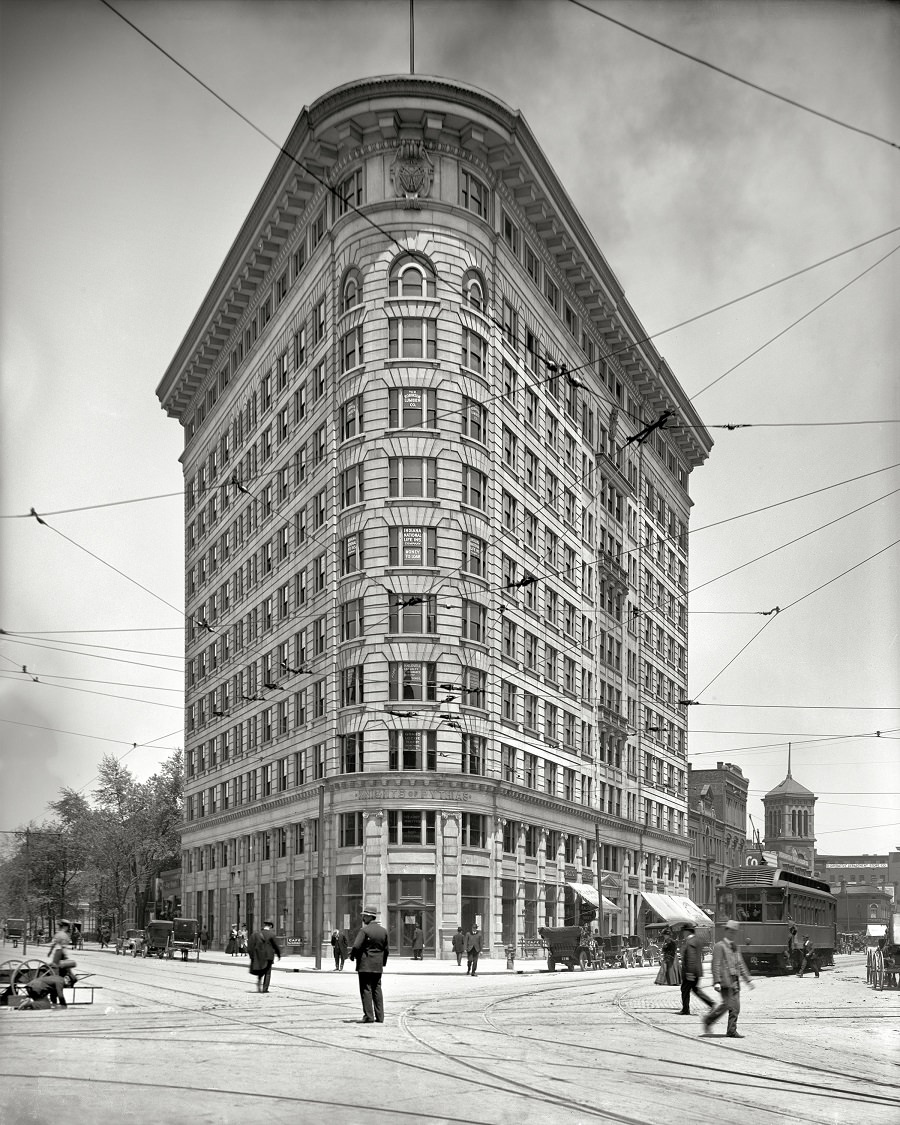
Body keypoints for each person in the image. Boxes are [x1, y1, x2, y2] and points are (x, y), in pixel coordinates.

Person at [703, 920, 754, 1039]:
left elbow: (741, 964)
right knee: (728, 1004)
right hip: (725, 982)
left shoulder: (735, 947)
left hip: (735, 981)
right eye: (730, 931)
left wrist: (748, 980)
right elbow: (715, 965)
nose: (732, 934)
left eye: (734, 932)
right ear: (726, 931)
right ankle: (710, 1020)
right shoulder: (719, 946)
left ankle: (731, 1030)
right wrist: (716, 981)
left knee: (735, 1007)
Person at [349, 905, 389, 1023]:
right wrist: (382, 963)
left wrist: (352, 956)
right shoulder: (384, 931)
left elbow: (356, 946)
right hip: (377, 965)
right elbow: (386, 950)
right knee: (377, 989)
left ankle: (369, 1016)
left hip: (365, 965)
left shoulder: (364, 930)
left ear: (369, 916)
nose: (363, 918)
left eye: (364, 916)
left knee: (366, 989)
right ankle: (380, 1017)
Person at [679, 923, 713, 1016]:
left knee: (685, 989)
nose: (683, 933)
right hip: (697, 970)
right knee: (695, 990)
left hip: (690, 971)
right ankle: (711, 1003)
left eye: (684, 931)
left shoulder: (690, 942)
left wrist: (689, 972)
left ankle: (686, 1009)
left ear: (687, 931)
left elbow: (691, 957)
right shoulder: (697, 940)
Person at [247, 920, 281, 993]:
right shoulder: (271, 935)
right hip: (269, 956)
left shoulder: (256, 934)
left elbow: (250, 946)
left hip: (259, 956)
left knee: (261, 969)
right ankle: (265, 989)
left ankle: (259, 981)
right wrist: (278, 955)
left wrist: (252, 956)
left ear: (264, 925)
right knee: (268, 972)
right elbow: (275, 946)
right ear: (271, 926)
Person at [48, 920, 77, 987]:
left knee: (57, 967)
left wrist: (50, 951)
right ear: (65, 927)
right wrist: (65, 955)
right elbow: (64, 946)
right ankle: (71, 979)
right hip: (61, 952)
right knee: (64, 968)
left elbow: (53, 943)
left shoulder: (58, 934)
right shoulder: (65, 935)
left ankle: (58, 981)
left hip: (58, 952)